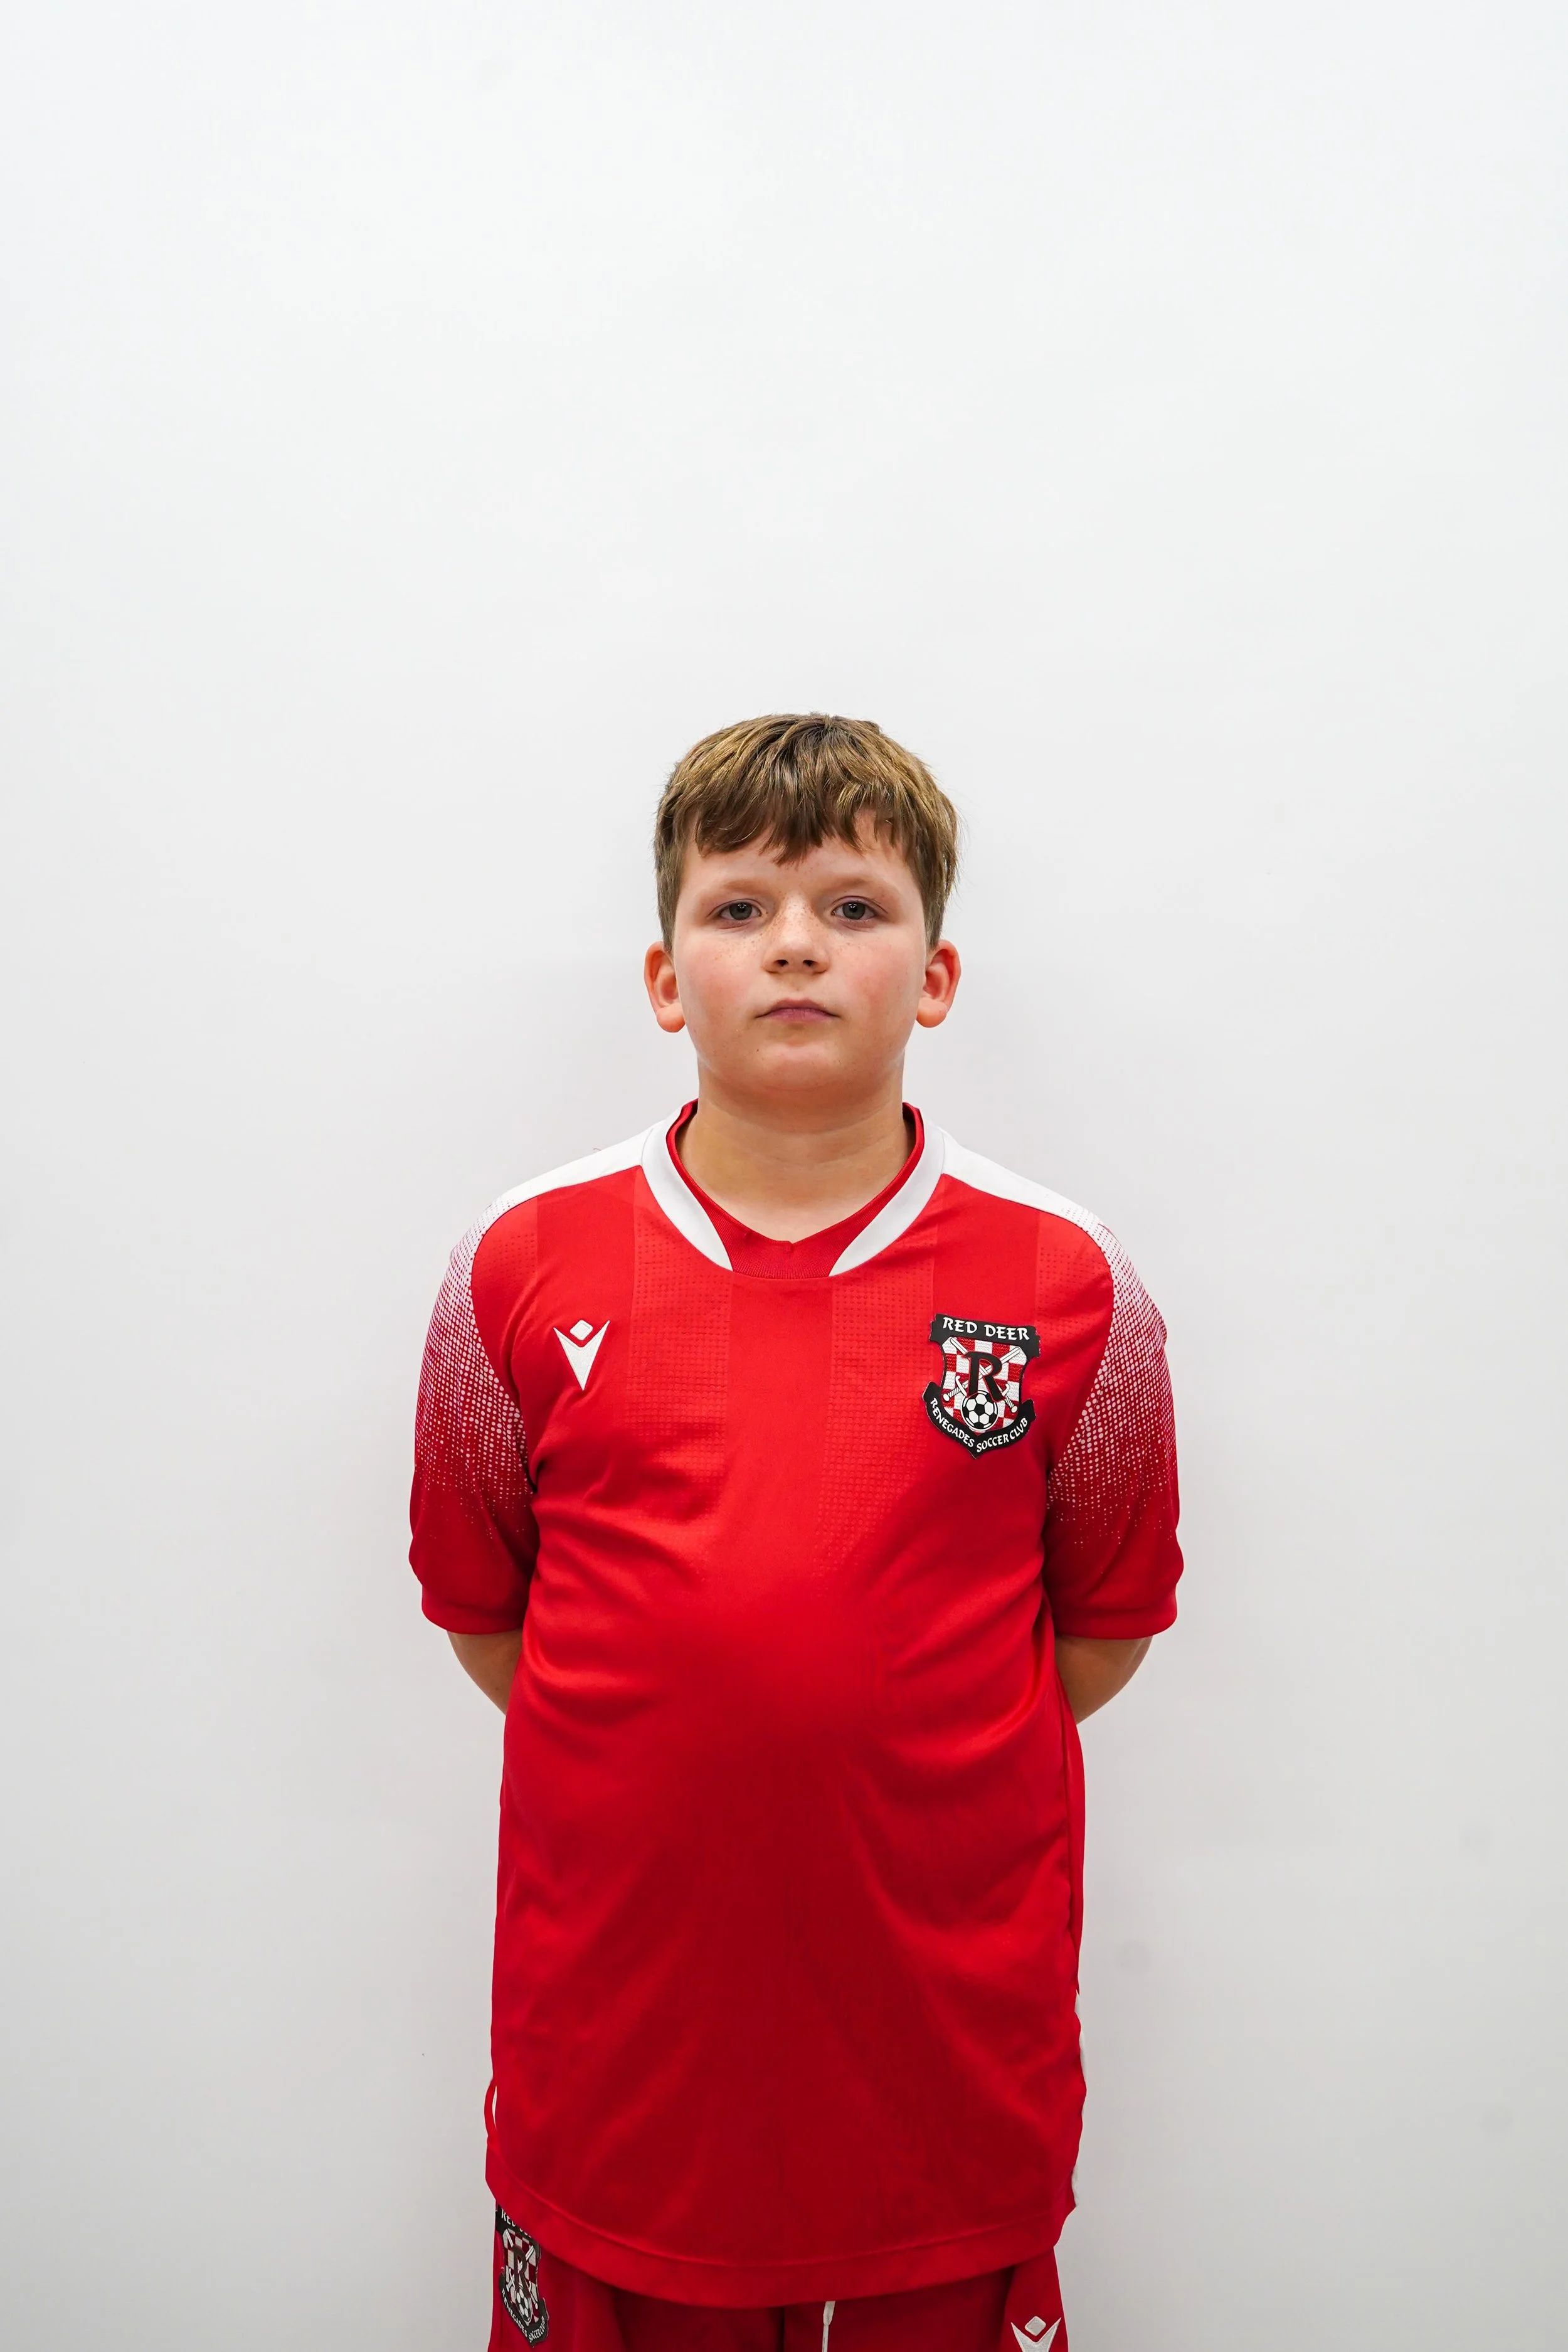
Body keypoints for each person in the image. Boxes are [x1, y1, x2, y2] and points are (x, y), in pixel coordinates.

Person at [410, 714, 1182, 2352]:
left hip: (938, 2066)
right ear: (664, 975)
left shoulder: (1070, 1278)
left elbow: (1090, 1627)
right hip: (622, 2063)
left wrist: (877, 1730)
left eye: (851, 905)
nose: (795, 948)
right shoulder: (515, 1260)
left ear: (938, 972)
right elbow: (499, 1622)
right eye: (740, 905)